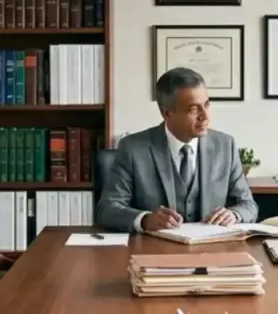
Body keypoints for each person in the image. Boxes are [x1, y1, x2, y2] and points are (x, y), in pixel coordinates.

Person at [96, 67, 258, 233]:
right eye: (193, 109)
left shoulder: (225, 145)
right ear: (167, 113)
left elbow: (248, 205)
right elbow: (107, 209)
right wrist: (145, 220)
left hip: (211, 251)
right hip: (155, 252)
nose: (205, 116)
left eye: (206, 105)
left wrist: (234, 214)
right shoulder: (133, 148)